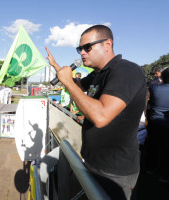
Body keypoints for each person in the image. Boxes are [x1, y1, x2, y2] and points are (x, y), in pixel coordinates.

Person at [45, 25, 146, 199]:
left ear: (108, 44)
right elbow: (77, 88)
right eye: (80, 49)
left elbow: (101, 116)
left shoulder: (126, 71)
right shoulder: (97, 74)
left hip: (115, 171)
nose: (82, 53)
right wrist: (58, 69)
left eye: (87, 47)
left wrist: (68, 82)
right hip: (92, 162)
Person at [145, 68, 169, 183]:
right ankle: (164, 175)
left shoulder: (154, 87)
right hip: (166, 124)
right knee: (166, 150)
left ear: (162, 77)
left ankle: (151, 168)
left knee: (153, 146)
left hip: (154, 122)